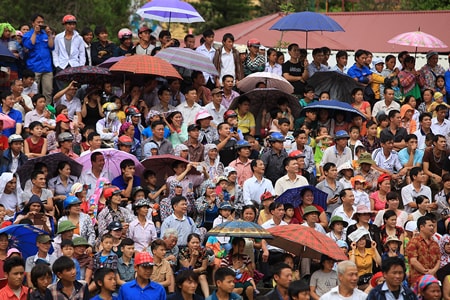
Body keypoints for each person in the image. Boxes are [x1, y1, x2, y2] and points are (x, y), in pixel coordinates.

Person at [22, 14, 54, 104]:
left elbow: (51, 46)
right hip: (34, 66)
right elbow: (29, 45)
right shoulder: (28, 35)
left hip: (47, 67)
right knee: (34, 92)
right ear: (33, 23)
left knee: (48, 91)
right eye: (38, 22)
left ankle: (48, 110)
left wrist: (49, 35)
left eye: (42, 22)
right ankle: (34, 109)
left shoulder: (45, 34)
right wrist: (35, 33)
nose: (40, 24)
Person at [405, 215, 440, 285]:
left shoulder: (435, 243)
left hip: (433, 279)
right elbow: (413, 261)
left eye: (433, 226)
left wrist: (433, 271)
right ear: (421, 227)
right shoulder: (413, 242)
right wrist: (426, 272)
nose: (432, 228)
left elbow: (438, 260)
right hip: (418, 280)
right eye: (429, 226)